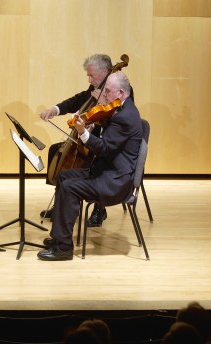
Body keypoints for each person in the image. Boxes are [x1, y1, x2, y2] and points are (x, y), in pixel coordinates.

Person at [37, 71, 142, 261]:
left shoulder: (126, 116)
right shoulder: (121, 109)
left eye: (107, 91)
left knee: (69, 187)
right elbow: (109, 140)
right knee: (64, 177)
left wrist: (84, 132)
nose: (104, 96)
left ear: (120, 93)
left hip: (114, 182)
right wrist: (94, 129)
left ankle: (64, 248)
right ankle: (59, 236)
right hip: (106, 171)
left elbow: (104, 148)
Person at [39, 54, 134, 227]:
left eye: (92, 75)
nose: (89, 79)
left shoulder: (121, 90)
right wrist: (56, 109)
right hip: (90, 137)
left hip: (108, 148)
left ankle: (99, 209)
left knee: (90, 161)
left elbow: (117, 125)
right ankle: (61, 203)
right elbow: (79, 99)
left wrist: (102, 102)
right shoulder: (95, 86)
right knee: (56, 150)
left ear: (105, 71)